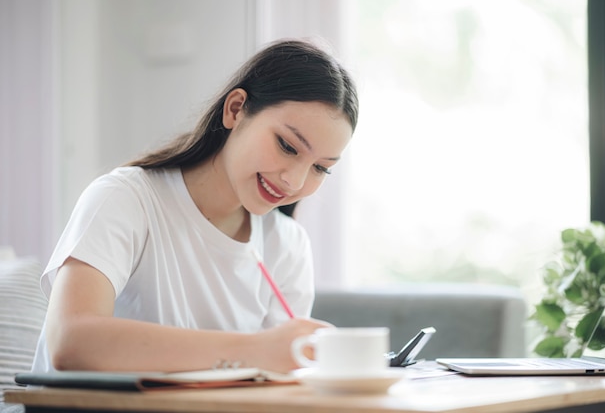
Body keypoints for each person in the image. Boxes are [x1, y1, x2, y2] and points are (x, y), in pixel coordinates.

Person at [31, 39, 359, 374]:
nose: (294, 182)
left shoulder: (287, 245)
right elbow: (70, 343)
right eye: (287, 146)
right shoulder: (126, 199)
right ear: (235, 109)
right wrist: (258, 350)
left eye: (320, 167)